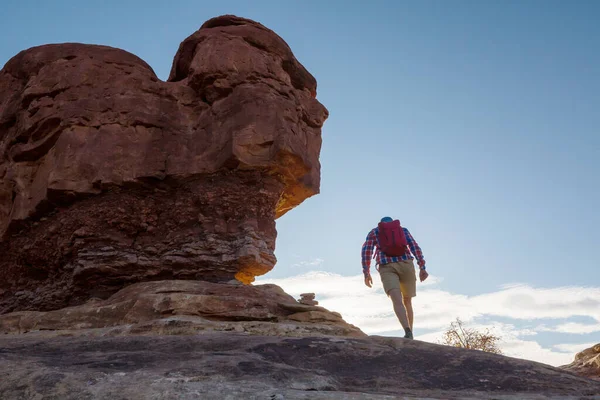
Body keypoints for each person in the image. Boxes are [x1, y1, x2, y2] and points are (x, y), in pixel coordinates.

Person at [361, 217, 428, 339]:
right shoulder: (403, 230)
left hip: (386, 266)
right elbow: (414, 247)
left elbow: (367, 251)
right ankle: (411, 332)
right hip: (406, 264)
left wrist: (366, 272)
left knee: (396, 299)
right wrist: (422, 267)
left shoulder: (374, 232)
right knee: (407, 301)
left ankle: (407, 330)